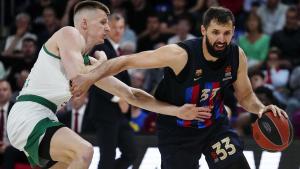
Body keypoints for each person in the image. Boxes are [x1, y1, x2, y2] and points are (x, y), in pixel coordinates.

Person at [71, 6, 289, 169]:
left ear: (233, 32)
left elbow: (246, 95)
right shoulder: (180, 54)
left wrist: (261, 109)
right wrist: (90, 77)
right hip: (177, 130)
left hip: (213, 127)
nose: (221, 39)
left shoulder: (236, 55)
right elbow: (127, 61)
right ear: (204, 30)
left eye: (226, 33)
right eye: (215, 32)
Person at [6, 1, 208, 169]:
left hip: (42, 117)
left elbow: (131, 95)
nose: (108, 28)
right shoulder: (69, 33)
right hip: (29, 113)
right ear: (84, 23)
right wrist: (103, 63)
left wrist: (177, 111)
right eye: (103, 22)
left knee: (70, 160)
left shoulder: (89, 66)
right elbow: (78, 79)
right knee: (84, 151)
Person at [88, 13, 137, 169]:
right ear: (107, 28)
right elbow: (96, 79)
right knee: (108, 158)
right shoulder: (100, 47)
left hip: (119, 114)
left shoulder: (116, 49)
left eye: (121, 27)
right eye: (115, 28)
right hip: (105, 112)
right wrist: (119, 98)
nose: (118, 31)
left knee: (131, 153)